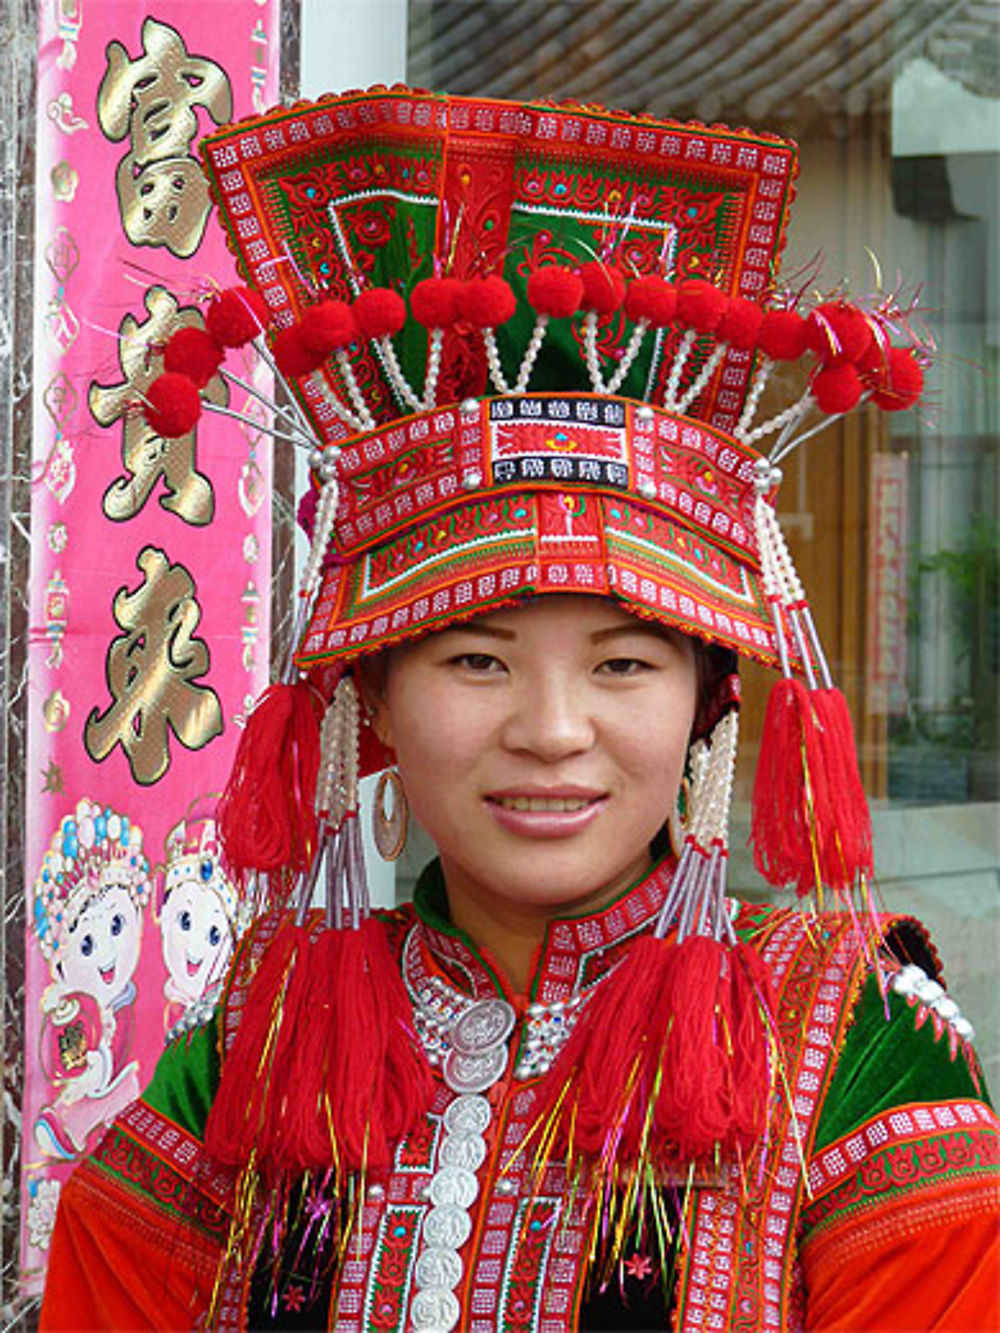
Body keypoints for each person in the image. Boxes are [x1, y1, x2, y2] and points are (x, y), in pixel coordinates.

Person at [40, 87, 998, 1332]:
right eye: (476, 661)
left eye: (622, 665)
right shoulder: (260, 1042)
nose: (552, 729)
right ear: (370, 699)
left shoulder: (852, 1048)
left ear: (711, 704)